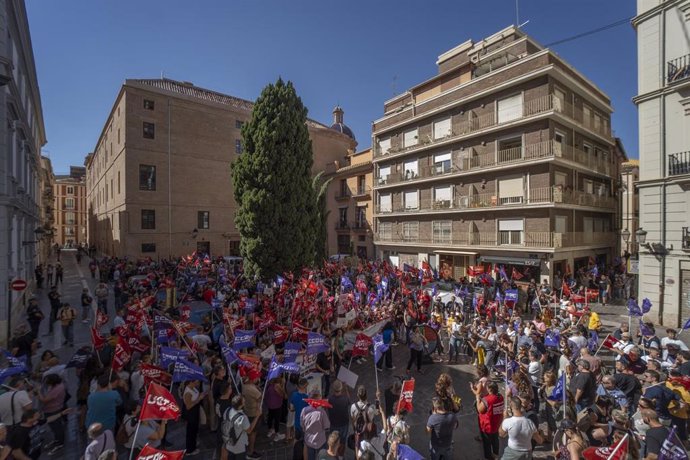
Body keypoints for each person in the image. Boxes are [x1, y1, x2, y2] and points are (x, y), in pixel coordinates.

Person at [36, 373, 67, 455]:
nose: (46, 384)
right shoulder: (58, 385)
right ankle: (57, 439)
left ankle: (60, 442)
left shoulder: (56, 389)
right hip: (53, 409)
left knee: (56, 426)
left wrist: (39, 391)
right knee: (55, 426)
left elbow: (44, 400)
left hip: (52, 410)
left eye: (48, 382)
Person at [473, 381, 504, 460]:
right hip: (496, 423)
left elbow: (480, 410)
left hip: (487, 425)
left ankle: (489, 457)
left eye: (487, 387)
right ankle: (496, 454)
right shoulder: (500, 397)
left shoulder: (487, 400)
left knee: (487, 442)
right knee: (495, 439)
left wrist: (477, 398)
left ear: (490, 389)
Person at [426, 396, 458, 460]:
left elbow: (428, 431)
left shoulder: (433, 418)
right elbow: (455, 426)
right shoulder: (452, 415)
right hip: (448, 443)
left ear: (435, 408)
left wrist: (434, 416)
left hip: (436, 445)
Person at [301, 391, 331, 460]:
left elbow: (302, 424)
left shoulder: (304, 410)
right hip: (320, 440)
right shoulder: (322, 412)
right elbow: (327, 426)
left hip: (309, 440)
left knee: (310, 457)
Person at [183, 379, 208, 456]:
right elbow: (188, 406)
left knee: (194, 430)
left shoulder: (193, 388)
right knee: (191, 432)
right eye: (196, 381)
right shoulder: (188, 392)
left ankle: (193, 444)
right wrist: (199, 399)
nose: (198, 382)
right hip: (191, 414)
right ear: (191, 382)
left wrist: (202, 394)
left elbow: (196, 396)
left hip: (195, 412)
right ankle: (190, 450)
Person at [224, 395, 253, 460]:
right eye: (244, 402)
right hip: (240, 447)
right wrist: (257, 417)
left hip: (229, 444)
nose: (245, 403)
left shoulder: (227, 411)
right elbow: (249, 430)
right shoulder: (243, 417)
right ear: (241, 405)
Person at [241, 370, 262, 459]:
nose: (258, 378)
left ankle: (250, 448)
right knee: (253, 433)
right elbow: (260, 397)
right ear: (253, 379)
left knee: (251, 432)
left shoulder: (245, 385)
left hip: (247, 411)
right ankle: (250, 451)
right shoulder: (252, 389)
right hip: (253, 414)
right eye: (257, 377)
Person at [327, 379, 350, 448]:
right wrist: (346, 389)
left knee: (333, 441)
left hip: (333, 423)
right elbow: (349, 400)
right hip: (344, 423)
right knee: (343, 441)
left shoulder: (330, 399)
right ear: (341, 388)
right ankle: (341, 456)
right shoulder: (345, 399)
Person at [265, 376, 287, 442]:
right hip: (277, 406)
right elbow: (285, 396)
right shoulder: (277, 386)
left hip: (270, 405)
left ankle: (270, 430)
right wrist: (283, 385)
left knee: (270, 418)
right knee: (277, 420)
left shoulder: (269, 384)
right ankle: (277, 434)